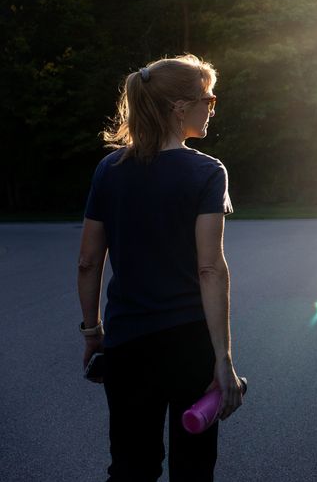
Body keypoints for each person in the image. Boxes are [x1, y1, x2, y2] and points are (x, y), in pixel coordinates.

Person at [77, 54, 243, 482]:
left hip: (127, 340)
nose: (212, 106)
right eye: (209, 98)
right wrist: (222, 359)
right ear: (180, 107)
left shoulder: (108, 170)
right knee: (193, 466)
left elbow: (89, 261)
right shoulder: (207, 171)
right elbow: (210, 268)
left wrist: (93, 332)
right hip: (189, 341)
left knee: (131, 464)